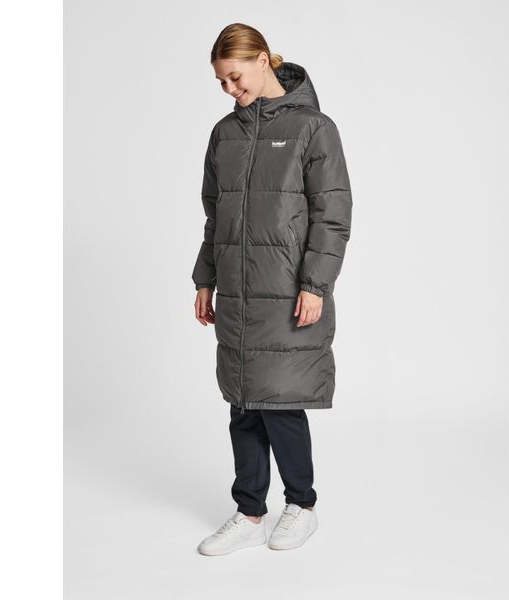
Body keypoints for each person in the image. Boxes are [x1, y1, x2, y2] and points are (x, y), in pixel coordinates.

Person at [192, 23, 352, 556]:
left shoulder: (313, 129)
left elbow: (332, 215)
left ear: (263, 60)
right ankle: (249, 513)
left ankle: (302, 506)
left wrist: (316, 284)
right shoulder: (225, 134)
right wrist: (205, 278)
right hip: (237, 293)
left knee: (281, 403)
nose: (230, 89)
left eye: (235, 77)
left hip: (287, 292)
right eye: (221, 82)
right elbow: (215, 216)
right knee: (243, 403)